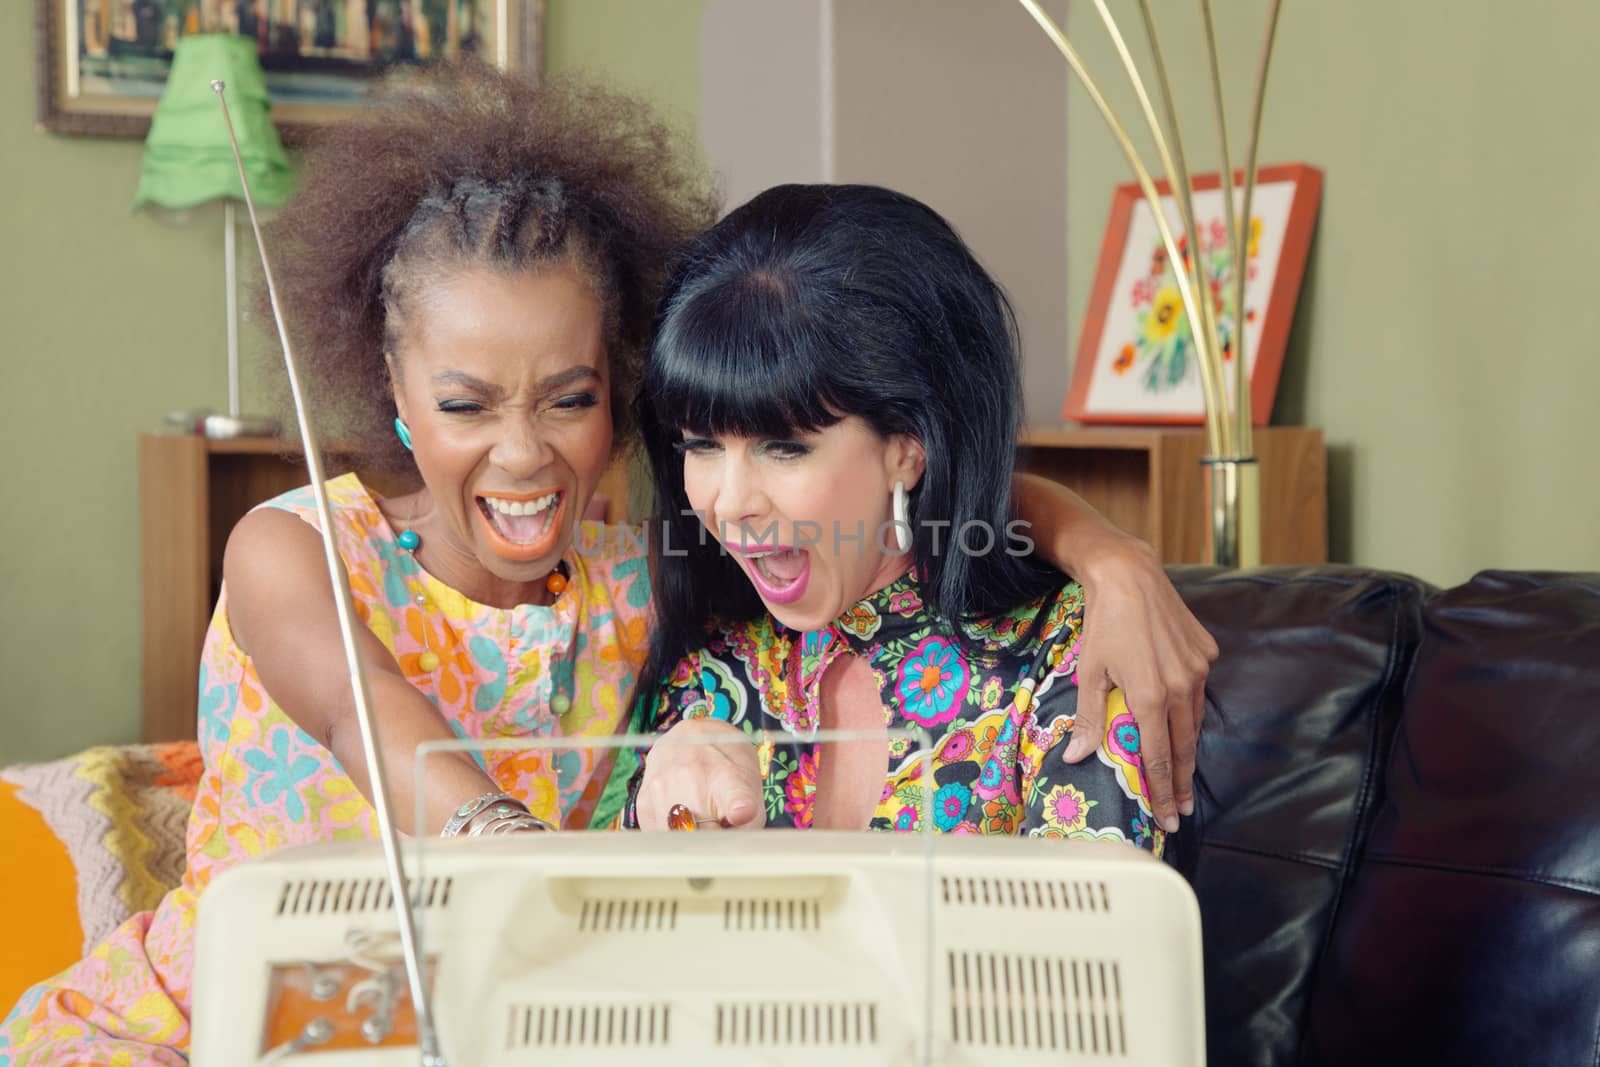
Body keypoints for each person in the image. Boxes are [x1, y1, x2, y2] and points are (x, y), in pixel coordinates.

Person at [1, 66, 1210, 1061]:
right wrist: (504, 845)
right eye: (465, 401)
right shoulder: (294, 547)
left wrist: (1108, 556)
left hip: (491, 1021)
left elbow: (909, 484)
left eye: (569, 398)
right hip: (252, 1006)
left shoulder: (646, 571)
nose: (521, 454)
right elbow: (365, 710)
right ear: (393, 395)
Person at [629, 184, 1212, 850]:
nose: (728, 502)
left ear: (908, 448)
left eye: (783, 446)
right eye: (702, 444)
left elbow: (1090, 942)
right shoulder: (714, 660)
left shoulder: (1076, 656)